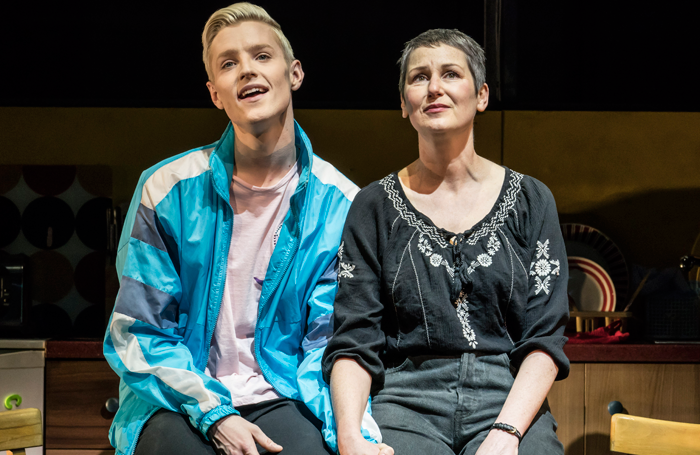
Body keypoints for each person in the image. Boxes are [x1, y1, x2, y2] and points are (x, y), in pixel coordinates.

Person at [103, 3, 382, 455]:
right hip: (178, 397)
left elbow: (329, 344)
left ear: (294, 73)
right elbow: (139, 330)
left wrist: (351, 434)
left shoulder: (342, 203)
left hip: (284, 394)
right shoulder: (167, 188)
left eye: (261, 56)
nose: (247, 71)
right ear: (215, 93)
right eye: (229, 64)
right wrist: (215, 414)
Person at [322, 29, 569, 455]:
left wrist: (506, 434)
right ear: (403, 103)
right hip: (404, 399)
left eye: (450, 73)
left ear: (481, 95)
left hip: (505, 395)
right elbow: (354, 338)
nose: (434, 87)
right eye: (419, 77)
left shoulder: (531, 200)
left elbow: (545, 340)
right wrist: (349, 436)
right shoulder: (374, 205)